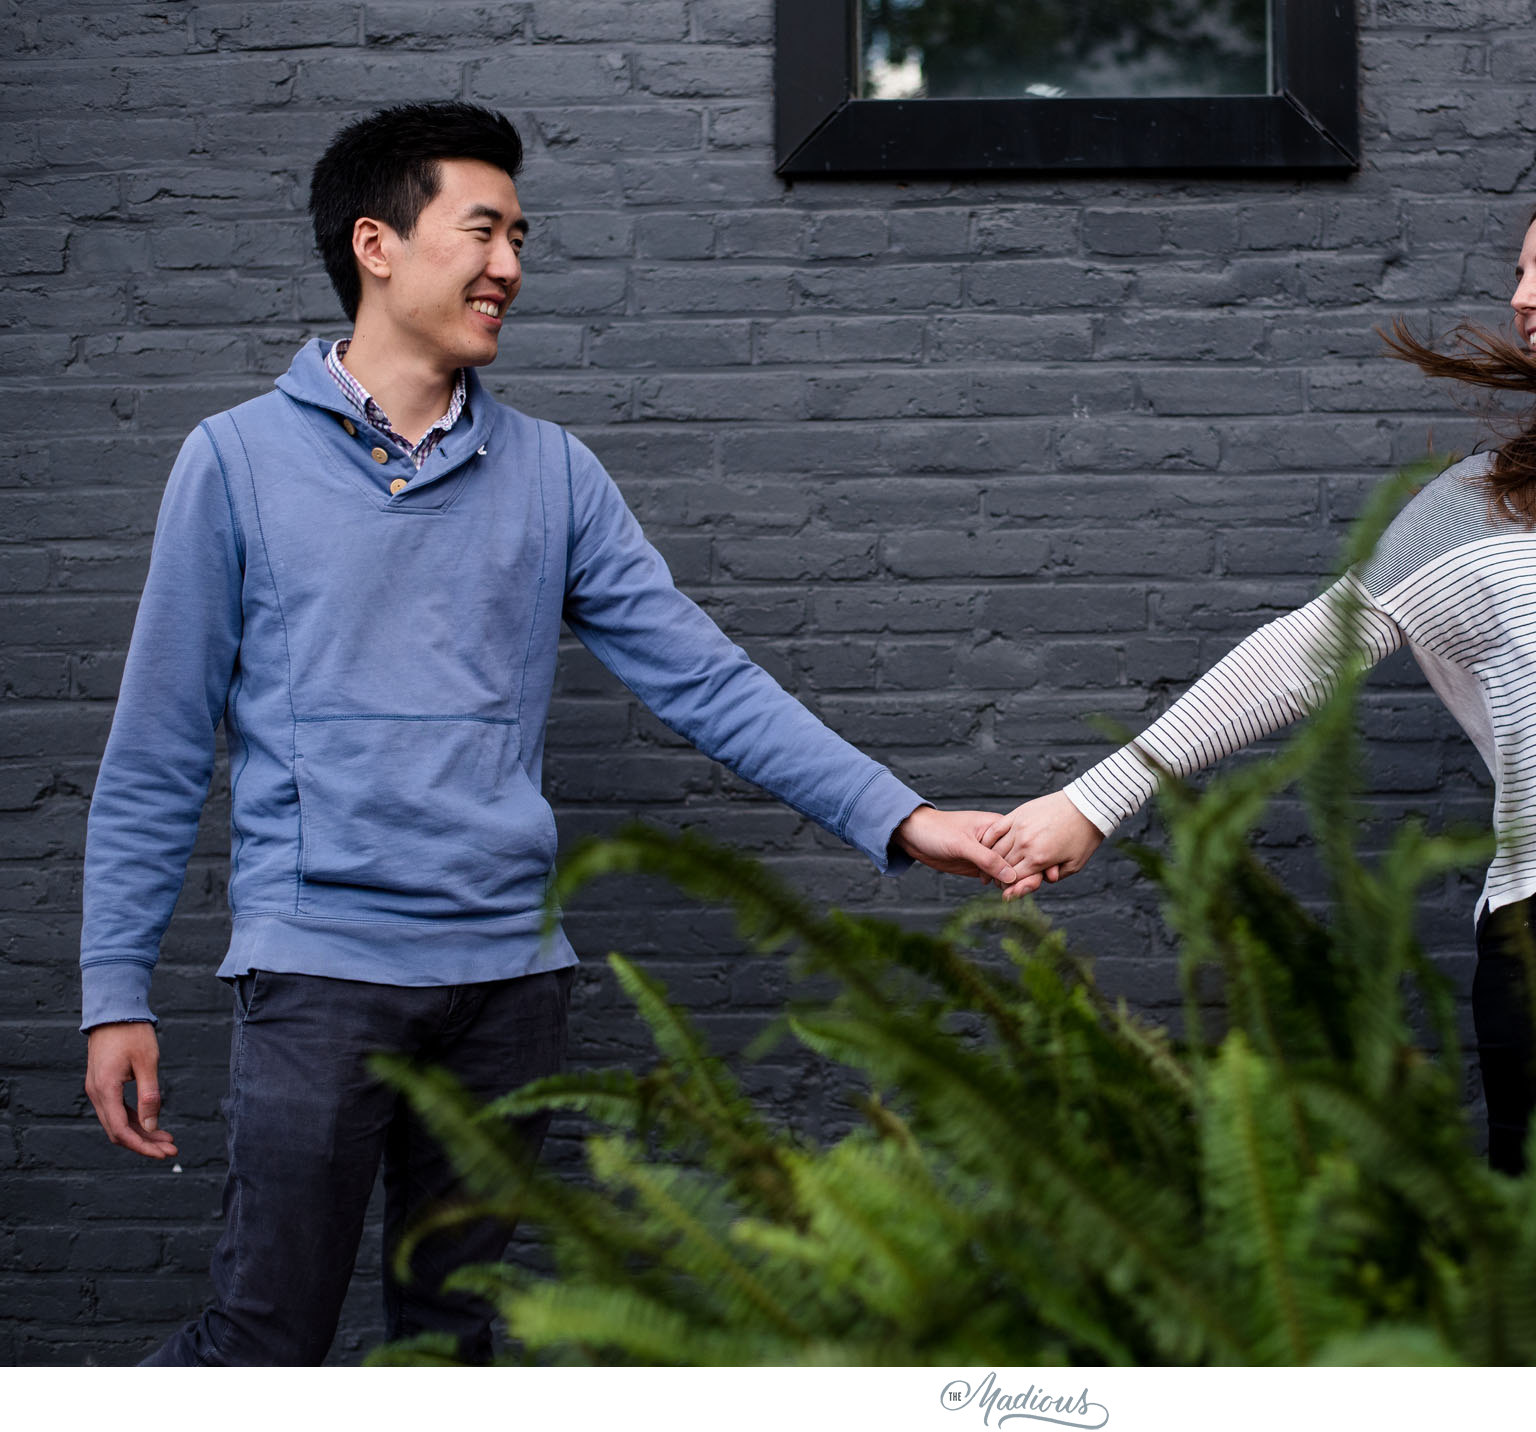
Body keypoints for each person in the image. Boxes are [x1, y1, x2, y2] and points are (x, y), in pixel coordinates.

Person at [80, 101, 1016, 1366]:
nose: (510, 264)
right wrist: (112, 990)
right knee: (263, 1342)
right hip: (318, 977)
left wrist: (898, 816)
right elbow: (158, 747)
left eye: (520, 233)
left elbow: (706, 680)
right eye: (482, 230)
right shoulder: (234, 462)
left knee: (455, 1344)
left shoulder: (554, 473)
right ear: (376, 244)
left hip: (509, 989)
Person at [979, 179, 1536, 1190]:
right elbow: (1296, 654)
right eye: (1516, 272)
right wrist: (1093, 800)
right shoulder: (1481, 503)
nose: (1518, 296)